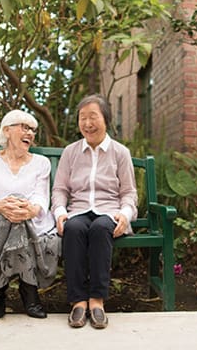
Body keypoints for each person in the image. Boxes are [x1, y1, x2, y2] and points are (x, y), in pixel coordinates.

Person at [51, 94, 138, 329]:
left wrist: (126, 214)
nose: (87, 123)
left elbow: (129, 192)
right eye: (82, 118)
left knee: (100, 229)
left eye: (93, 117)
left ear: (105, 120)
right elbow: (59, 189)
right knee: (74, 228)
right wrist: (60, 212)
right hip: (78, 211)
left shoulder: (120, 152)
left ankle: (97, 301)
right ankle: (78, 301)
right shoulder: (70, 152)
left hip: (109, 212)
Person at [0, 110, 61, 320]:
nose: (29, 133)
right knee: (7, 221)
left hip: (31, 223)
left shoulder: (41, 163)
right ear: (7, 131)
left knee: (18, 223)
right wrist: (0, 207)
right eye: (23, 127)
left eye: (32, 129)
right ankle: (29, 290)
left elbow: (41, 199)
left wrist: (30, 209)